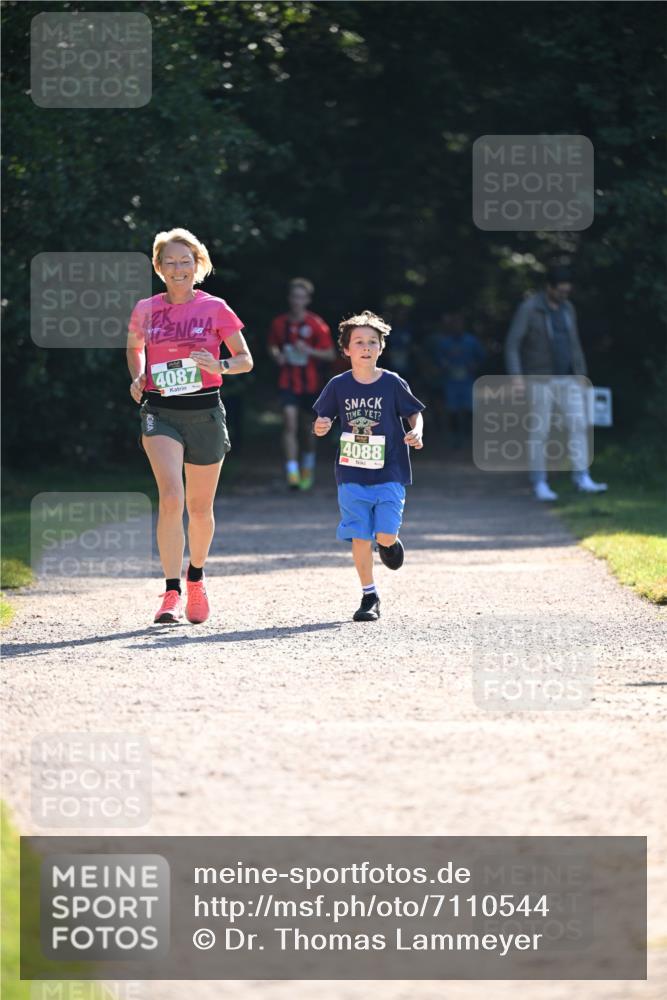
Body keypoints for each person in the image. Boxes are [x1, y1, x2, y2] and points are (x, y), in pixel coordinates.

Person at [127, 228, 253, 624]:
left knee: (199, 509)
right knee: (170, 497)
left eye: (185, 261)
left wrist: (220, 366)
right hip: (160, 411)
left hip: (205, 413)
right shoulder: (145, 309)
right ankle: (170, 592)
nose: (178, 269)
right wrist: (138, 375)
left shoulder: (215, 308)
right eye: (170, 262)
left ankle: (195, 576)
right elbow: (134, 348)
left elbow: (245, 359)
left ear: (198, 265)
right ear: (159, 267)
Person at [313, 310, 425, 622]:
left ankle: (388, 544)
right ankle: (369, 595)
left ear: (381, 348)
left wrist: (416, 431)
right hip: (351, 473)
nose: (366, 347)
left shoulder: (392, 383)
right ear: (346, 349)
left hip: (389, 471)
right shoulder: (338, 385)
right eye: (358, 342)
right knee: (360, 535)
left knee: (384, 534)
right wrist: (321, 425)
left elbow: (414, 413)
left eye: (372, 342)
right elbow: (323, 417)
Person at [504, 266, 607, 501]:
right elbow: (512, 345)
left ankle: (582, 477)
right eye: (560, 291)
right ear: (549, 287)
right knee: (540, 431)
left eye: (566, 292)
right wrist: (517, 377)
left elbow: (574, 344)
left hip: (569, 378)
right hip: (540, 379)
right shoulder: (529, 309)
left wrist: (581, 374)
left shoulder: (568, 308)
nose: (563, 296)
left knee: (578, 425)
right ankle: (539, 482)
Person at [268, 278, 335, 491]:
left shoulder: (316, 324)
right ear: (290, 299)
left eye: (301, 297)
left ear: (307, 300)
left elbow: (330, 354)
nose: (297, 301)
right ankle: (292, 472)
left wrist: (310, 351)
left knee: (309, 429)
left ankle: (308, 466)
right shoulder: (279, 323)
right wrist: (277, 355)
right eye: (294, 296)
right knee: (289, 422)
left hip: (311, 384)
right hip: (287, 382)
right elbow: (272, 346)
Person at [431, 308, 485, 448]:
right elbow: (437, 359)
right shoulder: (444, 342)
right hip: (451, 380)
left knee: (469, 409)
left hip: (467, 380)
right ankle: (455, 439)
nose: (457, 326)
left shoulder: (471, 341)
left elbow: (482, 357)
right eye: (454, 324)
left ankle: (469, 437)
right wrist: (443, 366)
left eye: (459, 323)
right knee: (452, 410)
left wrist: (475, 365)